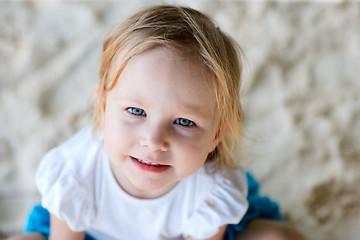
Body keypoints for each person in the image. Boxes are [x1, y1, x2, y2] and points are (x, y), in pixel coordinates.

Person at [7, 5, 304, 240]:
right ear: (105, 106)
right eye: (136, 111)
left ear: (217, 135)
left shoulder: (212, 191)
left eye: (184, 122)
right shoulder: (75, 171)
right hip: (92, 235)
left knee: (279, 237)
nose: (154, 140)